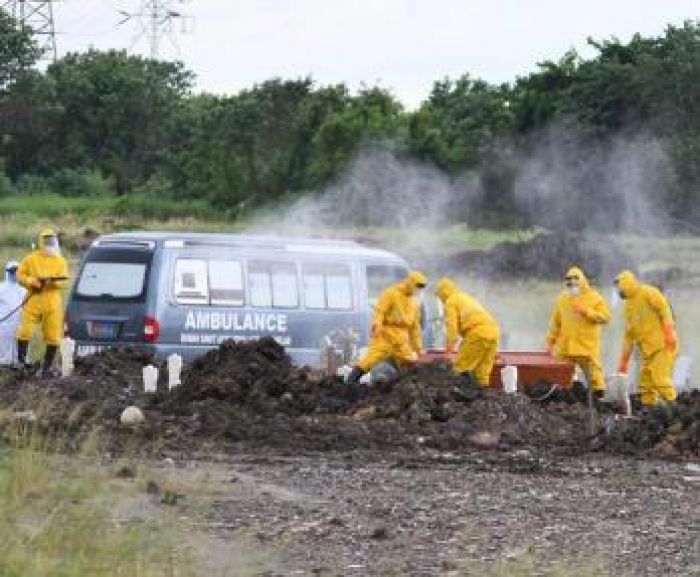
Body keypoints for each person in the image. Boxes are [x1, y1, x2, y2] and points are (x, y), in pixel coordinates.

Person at [347, 270, 427, 384]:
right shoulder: (390, 293)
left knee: (409, 363)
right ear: (410, 283)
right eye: (417, 286)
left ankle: (407, 390)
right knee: (368, 361)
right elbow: (379, 312)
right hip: (385, 336)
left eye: (420, 288)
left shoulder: (414, 302)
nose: (418, 290)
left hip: (402, 341)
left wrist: (419, 349)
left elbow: (415, 328)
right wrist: (376, 325)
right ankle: (349, 384)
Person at [615, 270, 678, 407]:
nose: (619, 291)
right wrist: (623, 362)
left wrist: (669, 331)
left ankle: (674, 406)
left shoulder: (648, 292)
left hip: (662, 345)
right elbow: (629, 335)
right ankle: (648, 409)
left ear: (627, 284)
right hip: (647, 351)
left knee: (660, 379)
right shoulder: (628, 307)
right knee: (645, 383)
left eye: (620, 288)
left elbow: (664, 309)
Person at [546, 267, 611, 396]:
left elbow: (605, 317)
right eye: (568, 280)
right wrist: (550, 342)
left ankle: (598, 402)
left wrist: (587, 312)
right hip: (566, 347)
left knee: (595, 379)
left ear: (582, 280)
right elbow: (555, 324)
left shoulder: (594, 297)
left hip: (586, 347)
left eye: (575, 279)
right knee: (562, 378)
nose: (571, 282)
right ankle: (568, 401)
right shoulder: (562, 299)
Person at [16, 228, 69, 377]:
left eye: (51, 240)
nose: (49, 243)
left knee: (53, 336)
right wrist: (32, 281)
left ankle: (46, 367)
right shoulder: (30, 258)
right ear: (41, 241)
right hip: (33, 299)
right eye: (46, 240)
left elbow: (64, 281)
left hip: (52, 303)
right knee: (24, 331)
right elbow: (20, 274)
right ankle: (21, 362)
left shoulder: (60, 261)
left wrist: (51, 283)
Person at [435, 277, 500, 387]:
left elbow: (452, 330)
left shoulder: (450, 302)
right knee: (482, 372)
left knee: (461, 367)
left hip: (477, 333)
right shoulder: (464, 297)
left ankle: (456, 397)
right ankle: (483, 396)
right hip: (493, 332)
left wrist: (448, 351)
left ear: (442, 293)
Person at [0, 261, 27, 366]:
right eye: (12, 271)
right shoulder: (1, 288)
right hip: (4, 324)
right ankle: (4, 365)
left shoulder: (23, 290)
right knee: (4, 345)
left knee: (17, 345)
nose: (14, 274)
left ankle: (17, 363)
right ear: (7, 272)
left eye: (17, 271)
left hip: (19, 323)